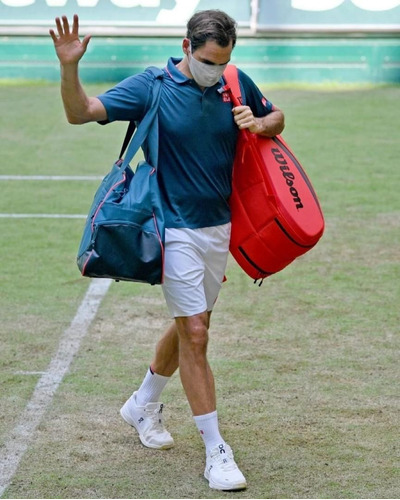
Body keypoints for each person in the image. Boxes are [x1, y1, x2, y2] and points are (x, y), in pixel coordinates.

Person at [50, 10, 284, 491]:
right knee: (195, 333)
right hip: (170, 226)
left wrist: (260, 123)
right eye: (206, 61)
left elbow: (277, 116)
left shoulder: (235, 83)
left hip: (219, 227)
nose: (214, 70)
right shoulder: (151, 86)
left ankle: (142, 403)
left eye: (223, 61)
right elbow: (81, 112)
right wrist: (70, 67)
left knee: (193, 326)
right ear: (185, 45)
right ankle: (217, 451)